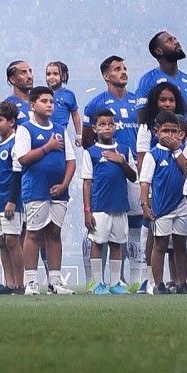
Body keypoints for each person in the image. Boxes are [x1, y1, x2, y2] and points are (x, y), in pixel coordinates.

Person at [81, 55, 142, 284]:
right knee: (99, 229)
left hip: (131, 168)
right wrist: (104, 161)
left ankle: (130, 279)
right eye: (117, 69)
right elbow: (87, 140)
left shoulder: (137, 101)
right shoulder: (95, 104)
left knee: (131, 226)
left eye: (124, 68)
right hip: (105, 171)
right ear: (106, 75)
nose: (123, 72)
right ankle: (94, 279)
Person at [16, 86, 76, 295]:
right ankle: (31, 282)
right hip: (36, 189)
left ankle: (55, 282)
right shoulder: (25, 129)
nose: (49, 105)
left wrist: (65, 185)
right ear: (32, 105)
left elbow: (71, 160)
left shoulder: (60, 129)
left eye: (51, 101)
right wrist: (47, 147)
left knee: (54, 233)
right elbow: (23, 158)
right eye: (44, 101)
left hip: (59, 191)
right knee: (33, 234)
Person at [82, 109, 136, 295]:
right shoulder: (91, 152)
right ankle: (98, 283)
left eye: (110, 124)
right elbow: (87, 183)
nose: (107, 128)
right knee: (98, 243)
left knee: (117, 244)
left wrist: (121, 161)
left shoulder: (124, 150)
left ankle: (115, 283)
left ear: (116, 126)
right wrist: (87, 210)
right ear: (95, 128)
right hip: (100, 206)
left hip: (120, 205)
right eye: (102, 124)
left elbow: (133, 177)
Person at [139, 111, 187, 295]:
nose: (170, 135)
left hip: (181, 205)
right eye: (166, 131)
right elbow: (144, 182)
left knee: (181, 246)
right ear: (156, 132)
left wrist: (177, 150)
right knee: (160, 245)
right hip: (162, 208)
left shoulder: (182, 151)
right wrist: (145, 205)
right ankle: (158, 283)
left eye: (173, 131)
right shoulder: (153, 155)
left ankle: (182, 283)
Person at [0, 101, 24, 294]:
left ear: (11, 122)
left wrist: (12, 200)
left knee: (12, 241)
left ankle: (20, 283)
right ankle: (9, 283)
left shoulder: (15, 143)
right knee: (1, 242)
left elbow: (17, 174)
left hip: (10, 202)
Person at [136, 31, 187, 127]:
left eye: (175, 39)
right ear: (159, 51)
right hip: (159, 136)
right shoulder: (147, 81)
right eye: (169, 40)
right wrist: (179, 105)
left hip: (185, 136)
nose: (176, 42)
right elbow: (142, 120)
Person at [46, 61, 82, 148]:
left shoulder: (68, 95)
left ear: (64, 76)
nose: (51, 77)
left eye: (55, 74)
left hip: (61, 134)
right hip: (44, 132)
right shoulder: (43, 93)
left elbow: (75, 115)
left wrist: (78, 135)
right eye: (48, 74)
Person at [5, 60, 34, 124]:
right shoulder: (7, 106)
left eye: (30, 71)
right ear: (12, 79)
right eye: (23, 73)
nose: (30, 76)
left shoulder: (40, 102)